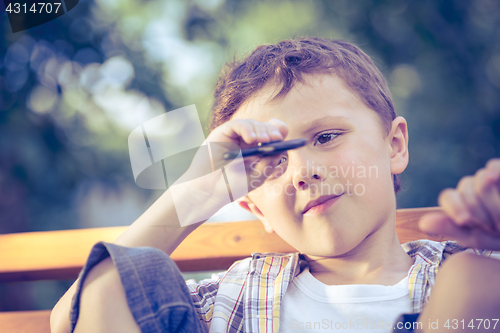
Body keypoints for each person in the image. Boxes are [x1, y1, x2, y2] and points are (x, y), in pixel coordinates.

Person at [50, 37, 500, 333]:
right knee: (118, 278)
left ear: (394, 145)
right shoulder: (229, 299)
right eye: (273, 162)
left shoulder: (469, 282)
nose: (303, 171)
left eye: (326, 137)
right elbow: (79, 314)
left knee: (474, 281)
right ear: (254, 207)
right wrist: (194, 192)